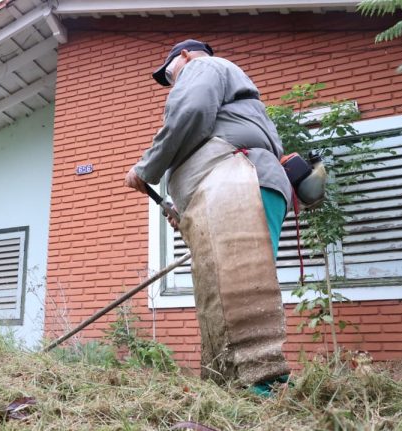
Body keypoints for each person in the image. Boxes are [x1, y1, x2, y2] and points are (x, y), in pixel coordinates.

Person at [124, 39, 291, 394]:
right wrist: (185, 213)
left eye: (170, 75)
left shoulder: (203, 67)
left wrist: (146, 167)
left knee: (240, 291)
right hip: (230, 187)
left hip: (237, 180)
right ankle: (233, 388)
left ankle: (261, 389)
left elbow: (191, 112)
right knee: (224, 292)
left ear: (183, 56)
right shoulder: (239, 103)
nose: (172, 84)